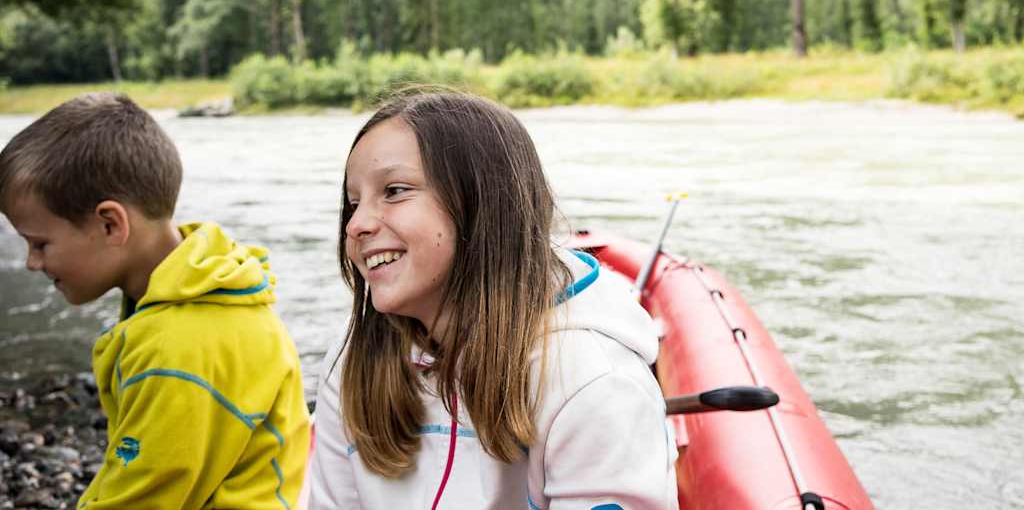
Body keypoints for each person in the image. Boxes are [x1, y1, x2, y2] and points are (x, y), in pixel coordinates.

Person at [308, 89, 678, 509]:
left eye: (394, 191)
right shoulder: (354, 357)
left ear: (481, 203)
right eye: (354, 203)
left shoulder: (593, 378)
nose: (356, 225)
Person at [0, 93, 310, 509]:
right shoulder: (201, 287)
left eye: (39, 243)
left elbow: (144, 498)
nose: (31, 263)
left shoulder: (176, 350)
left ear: (111, 224)